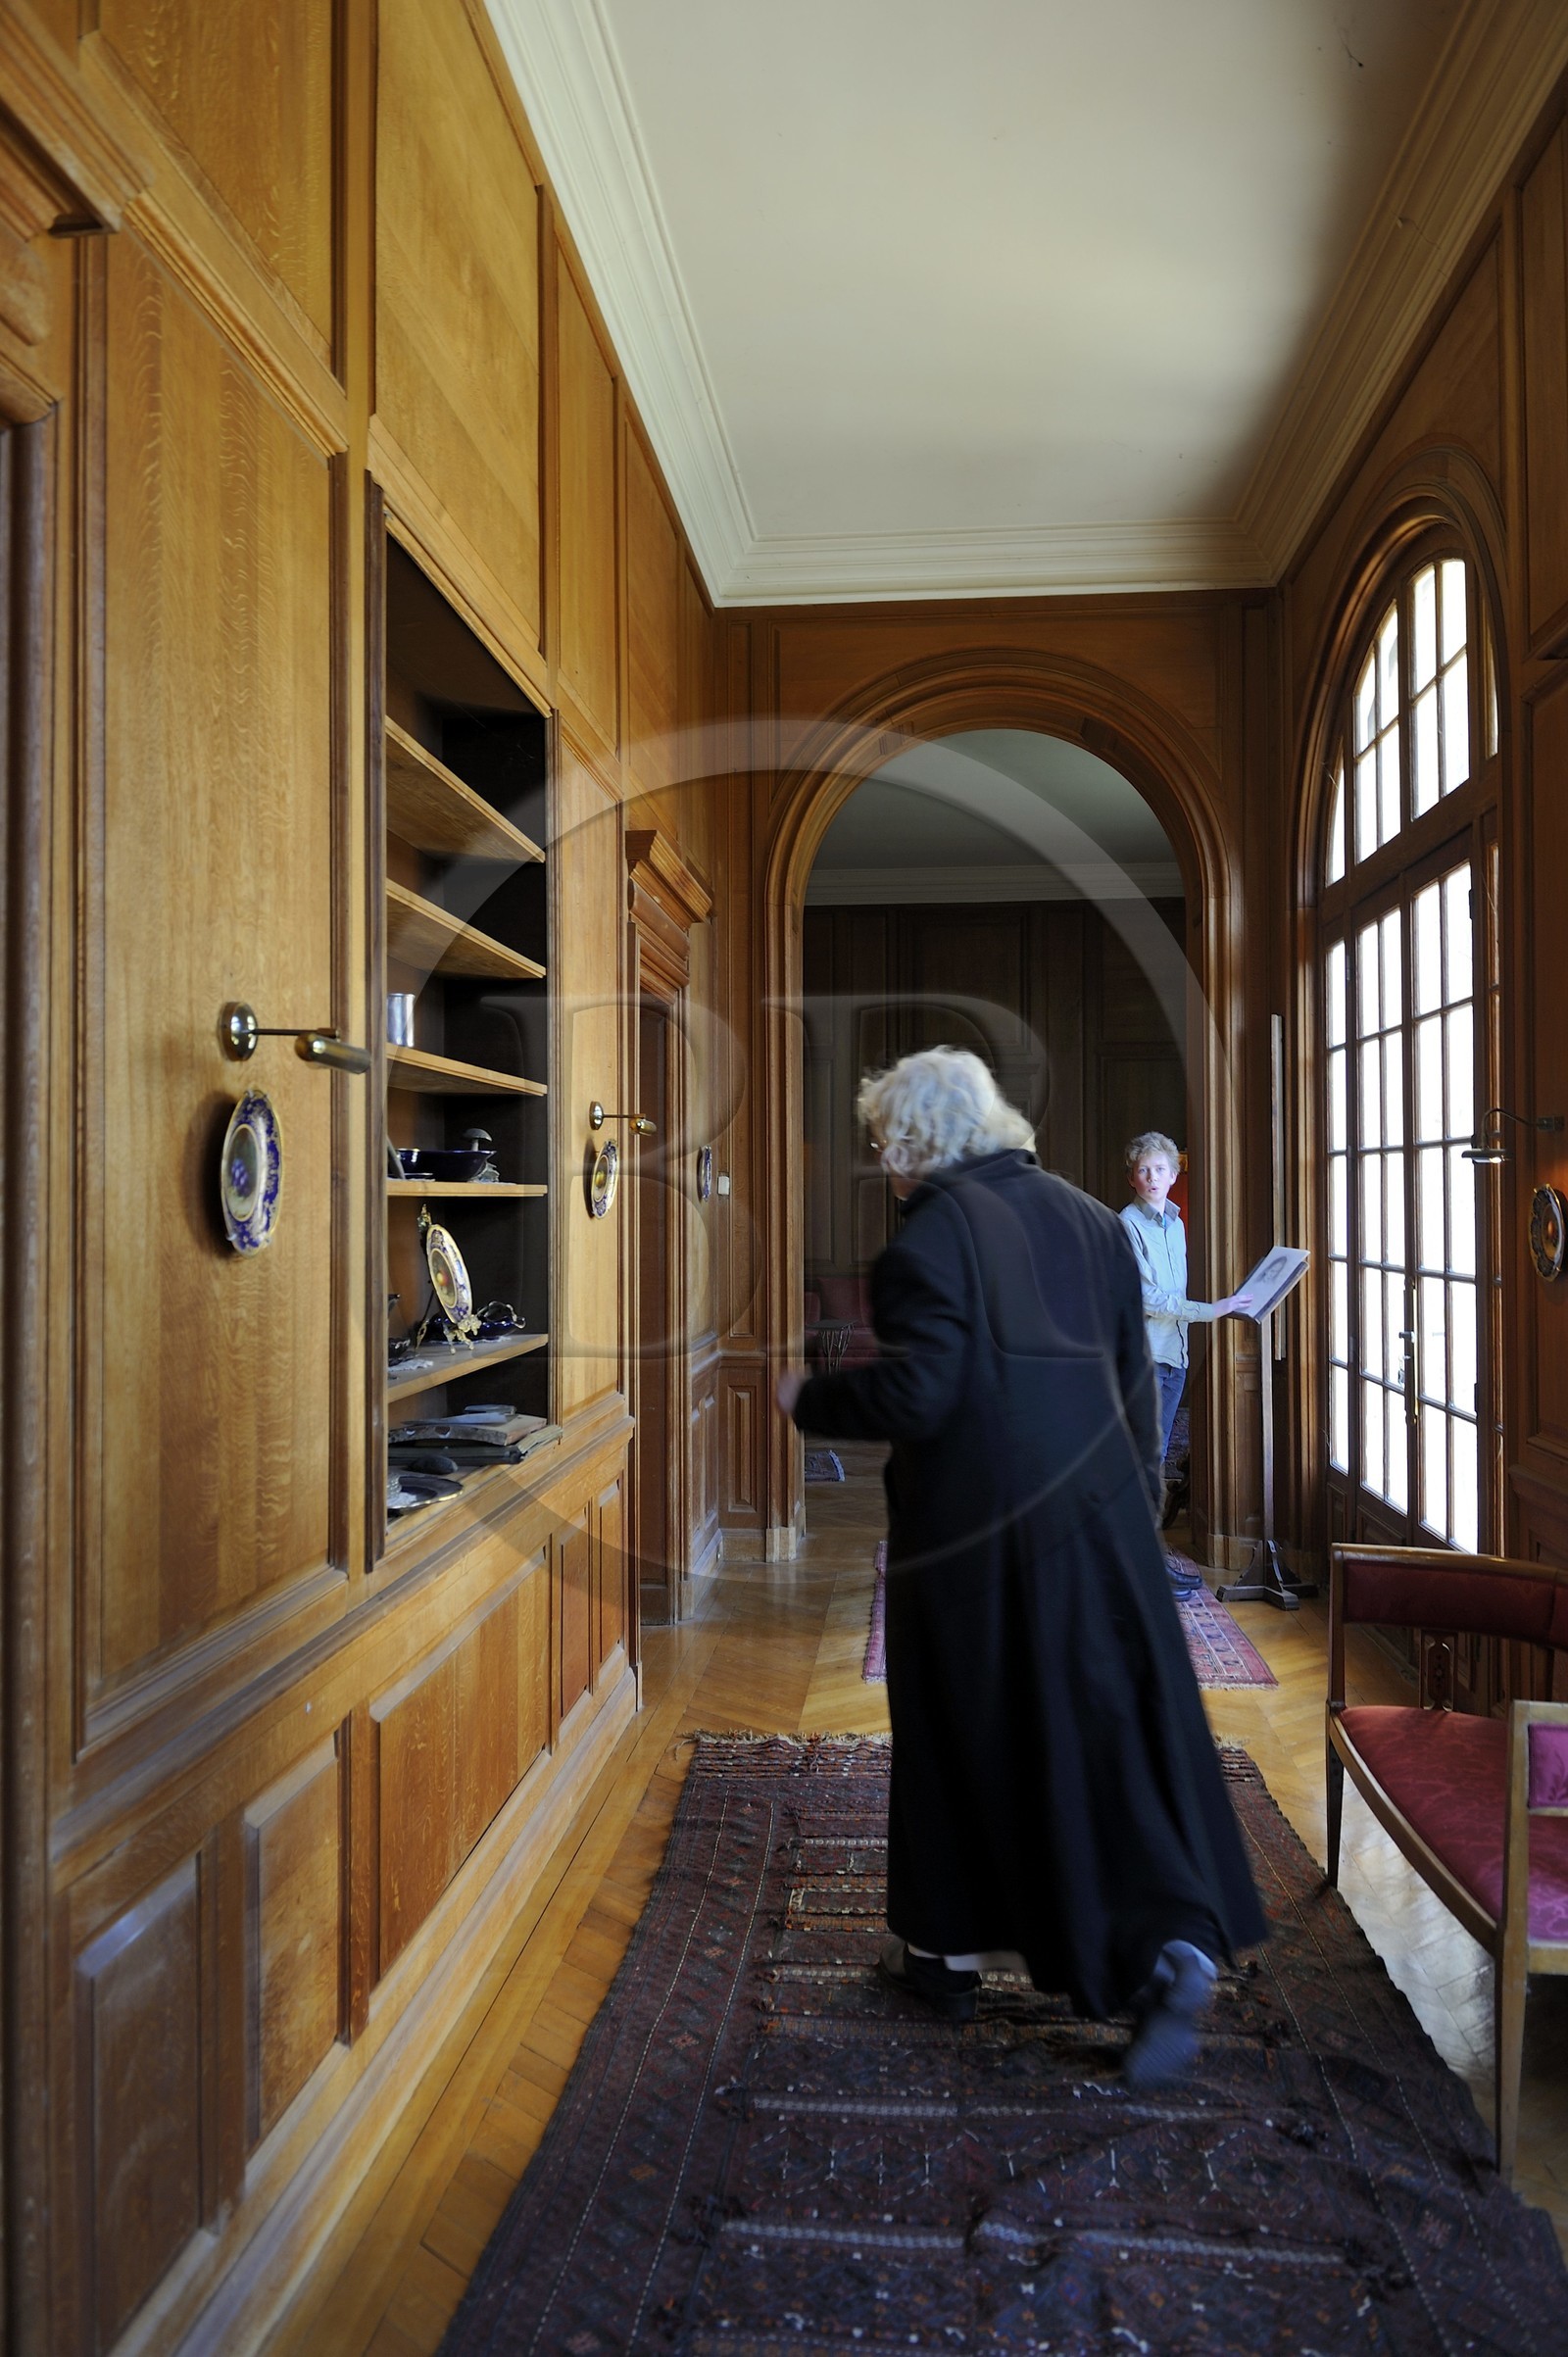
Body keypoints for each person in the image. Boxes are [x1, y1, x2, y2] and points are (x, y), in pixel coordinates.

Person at [777, 1048, 1266, 2087]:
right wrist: (1138, 1511)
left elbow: (917, 1398)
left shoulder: (928, 1239)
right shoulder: (1092, 1219)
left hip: (979, 1548)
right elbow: (1135, 1380)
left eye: (883, 1143)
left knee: (971, 1743)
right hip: (1104, 1531)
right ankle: (1165, 1944)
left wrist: (804, 1400)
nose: (882, 1161)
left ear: (915, 1142)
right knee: (1102, 1741)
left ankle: (951, 1959)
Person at [1118, 1132, 1244, 1596]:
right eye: (1143, 1169)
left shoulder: (1175, 1224)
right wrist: (1212, 1309)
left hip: (1175, 1357)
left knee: (1153, 1463)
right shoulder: (1127, 1224)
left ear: (1174, 1175)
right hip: (1146, 1359)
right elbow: (1147, 1298)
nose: (1152, 1177)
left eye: (1160, 1169)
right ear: (1131, 1176)